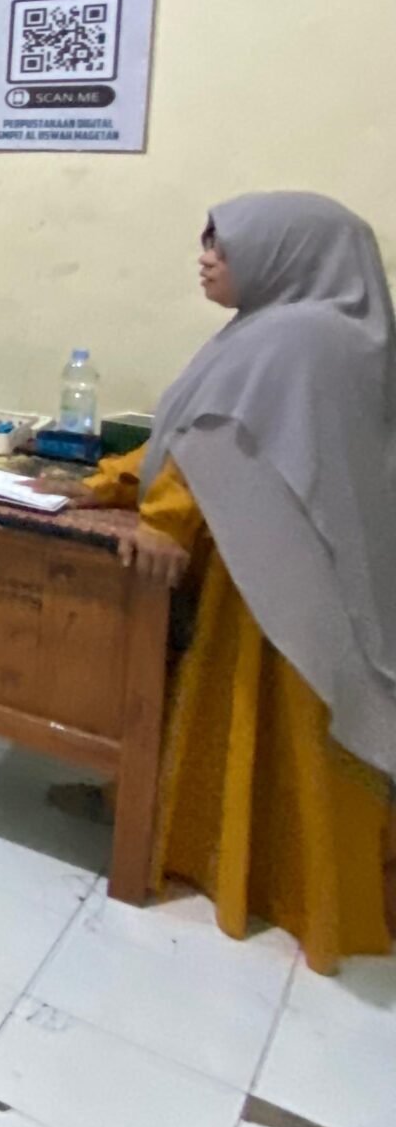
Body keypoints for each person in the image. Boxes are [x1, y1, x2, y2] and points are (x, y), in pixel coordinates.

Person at [76, 193, 395, 971]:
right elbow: (211, 429)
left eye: (226, 243)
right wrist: (116, 478)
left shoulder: (297, 337)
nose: (208, 256)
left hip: (277, 580)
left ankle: (280, 881)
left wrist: (161, 516)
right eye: (208, 241)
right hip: (300, 566)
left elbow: (223, 445)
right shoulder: (327, 330)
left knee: (267, 719)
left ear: (290, 252)